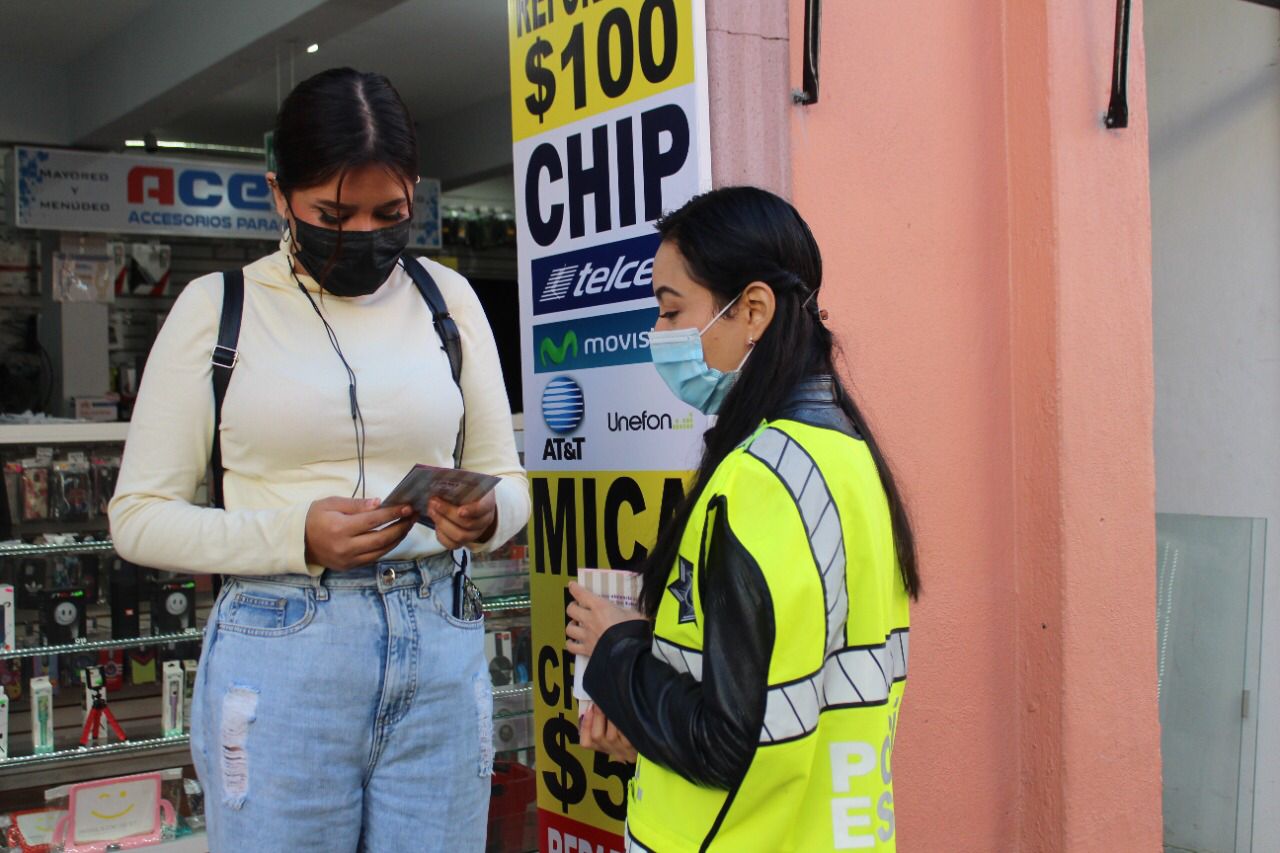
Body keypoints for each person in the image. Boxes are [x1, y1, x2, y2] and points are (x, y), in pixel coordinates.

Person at [108, 68, 528, 851]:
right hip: (283, 645)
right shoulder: (217, 309)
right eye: (334, 214)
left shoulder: (449, 300)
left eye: (390, 212)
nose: (366, 233)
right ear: (280, 196)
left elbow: (506, 474)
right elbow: (136, 518)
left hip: (439, 637)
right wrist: (293, 536)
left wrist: (489, 512)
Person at [565, 187, 920, 851]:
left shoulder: (760, 479)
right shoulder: (846, 456)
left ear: (752, 308)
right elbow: (776, 684)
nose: (658, 335)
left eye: (672, 311)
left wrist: (616, 649)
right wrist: (644, 692)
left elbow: (727, 742)